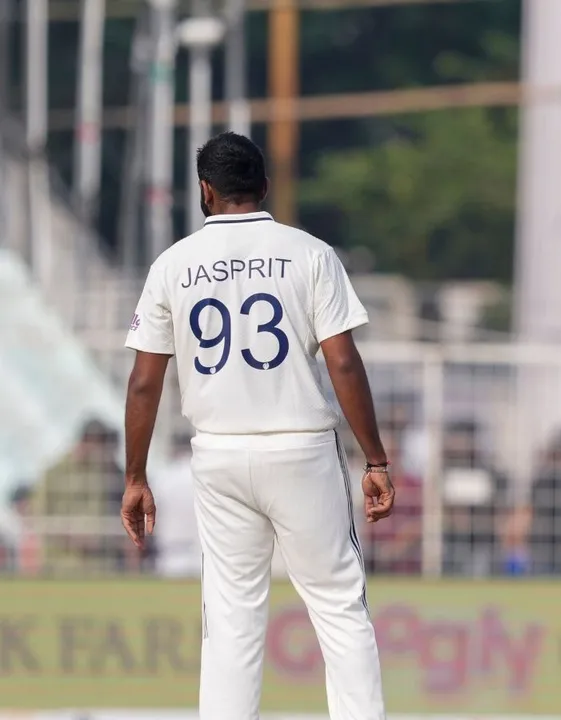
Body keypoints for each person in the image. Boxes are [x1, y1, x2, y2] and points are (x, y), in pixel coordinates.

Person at [119, 131, 393, 719]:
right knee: (339, 605)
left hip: (217, 451)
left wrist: (136, 475)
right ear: (264, 187)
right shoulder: (309, 252)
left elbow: (145, 381)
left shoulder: (173, 264)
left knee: (231, 615)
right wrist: (375, 459)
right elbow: (342, 360)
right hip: (299, 447)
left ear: (205, 190)